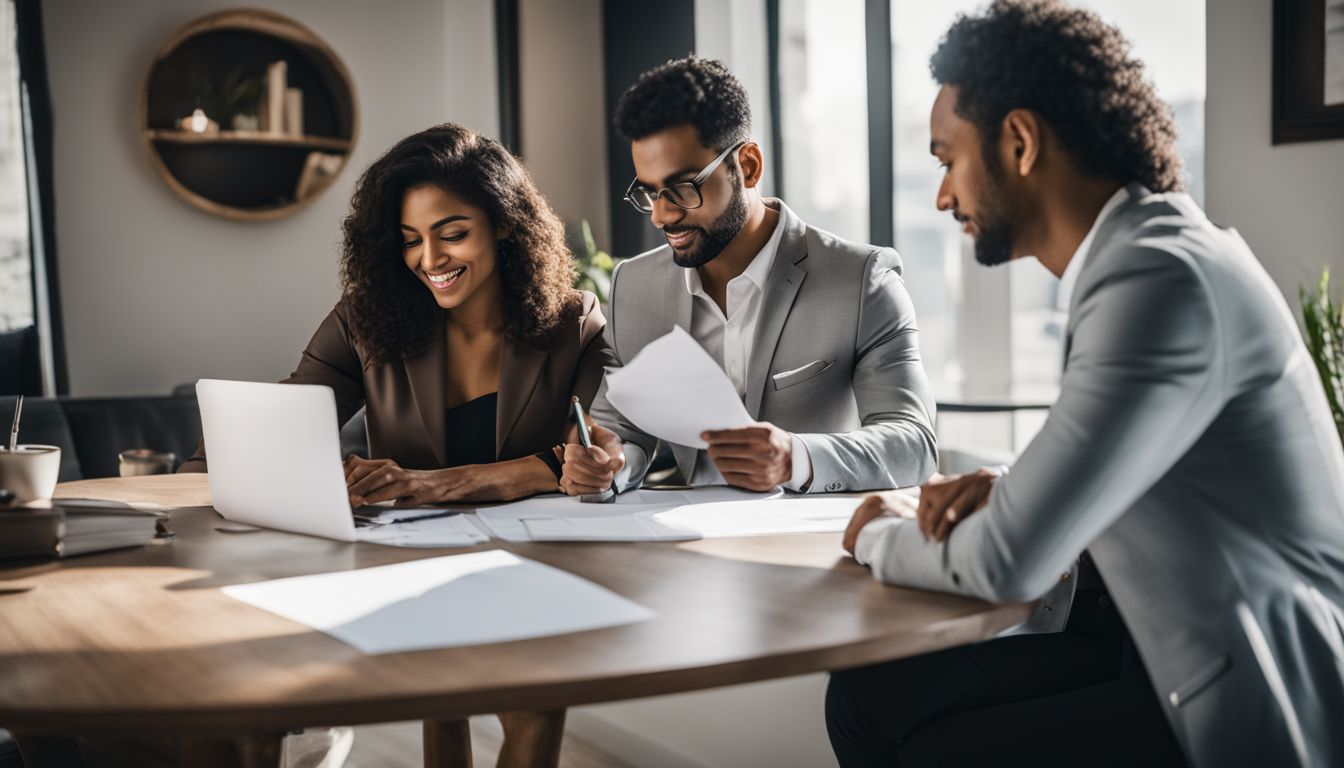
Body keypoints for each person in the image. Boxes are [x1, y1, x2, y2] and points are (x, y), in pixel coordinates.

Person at [828, 2, 1344, 767]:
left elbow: (1009, 565)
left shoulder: (1158, 276)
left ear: (1021, 142)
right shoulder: (1143, 253)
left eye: (946, 159)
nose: (942, 197)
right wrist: (1008, 488)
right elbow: (1138, 463)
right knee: (871, 697)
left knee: (940, 749)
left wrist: (873, 534)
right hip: (1150, 640)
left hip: (1250, 690)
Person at [559, 57, 937, 498]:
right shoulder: (634, 288)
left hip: (813, 547)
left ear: (749, 166)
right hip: (677, 550)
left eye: (683, 188)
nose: (662, 215)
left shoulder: (862, 281)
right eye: (649, 191)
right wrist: (611, 464)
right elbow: (621, 429)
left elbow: (914, 444)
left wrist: (794, 457)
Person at [182, 123, 612, 506]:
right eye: (411, 241)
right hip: (406, 559)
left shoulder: (573, 322)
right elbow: (284, 420)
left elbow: (590, 453)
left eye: (453, 234)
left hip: (544, 559)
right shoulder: (365, 318)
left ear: (504, 223)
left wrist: (429, 485)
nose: (430, 259)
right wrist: (186, 484)